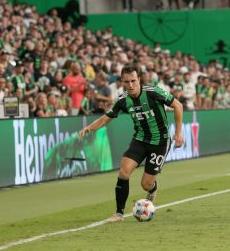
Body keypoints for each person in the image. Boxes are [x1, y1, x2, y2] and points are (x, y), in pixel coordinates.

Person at [78, 65, 184, 222]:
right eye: (126, 82)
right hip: (140, 139)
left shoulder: (153, 92)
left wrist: (178, 133)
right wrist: (89, 128)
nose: (130, 85)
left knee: (146, 184)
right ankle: (119, 213)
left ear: (139, 79)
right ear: (122, 82)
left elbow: (178, 105)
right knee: (124, 171)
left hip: (159, 141)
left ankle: (152, 189)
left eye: (133, 81)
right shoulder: (122, 100)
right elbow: (106, 118)